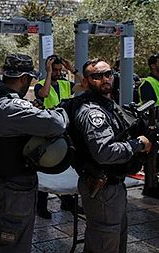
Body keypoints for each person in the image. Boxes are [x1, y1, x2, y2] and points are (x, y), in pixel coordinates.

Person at [0, 53, 69, 252]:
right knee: (15, 242)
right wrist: (62, 110)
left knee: (7, 235)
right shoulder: (10, 105)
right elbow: (55, 124)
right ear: (23, 79)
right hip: (13, 184)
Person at [71, 58, 151, 253]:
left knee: (114, 242)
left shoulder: (107, 103)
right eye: (96, 76)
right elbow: (104, 153)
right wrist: (138, 144)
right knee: (104, 244)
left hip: (112, 185)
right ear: (87, 81)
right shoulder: (92, 111)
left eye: (108, 74)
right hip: (102, 187)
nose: (105, 79)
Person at [34, 55, 85, 219]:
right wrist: (48, 74)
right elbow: (45, 93)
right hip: (49, 131)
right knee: (47, 166)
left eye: (58, 70)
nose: (57, 73)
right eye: (54, 70)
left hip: (66, 129)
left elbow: (86, 85)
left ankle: (67, 201)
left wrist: (73, 70)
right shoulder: (41, 85)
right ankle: (41, 205)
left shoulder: (65, 84)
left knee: (67, 164)